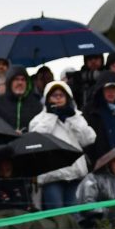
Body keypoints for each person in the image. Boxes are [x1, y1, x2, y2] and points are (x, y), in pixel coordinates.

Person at [29, 81, 96, 209]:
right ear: (47, 99)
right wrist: (52, 116)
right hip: (52, 178)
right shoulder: (38, 120)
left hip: (75, 176)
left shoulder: (76, 116)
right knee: (57, 217)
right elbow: (36, 140)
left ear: (68, 98)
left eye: (61, 95)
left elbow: (89, 139)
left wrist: (72, 118)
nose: (58, 98)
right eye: (54, 95)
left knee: (74, 217)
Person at [0, 65, 41, 132]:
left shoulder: (36, 104)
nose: (20, 83)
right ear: (9, 82)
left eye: (23, 79)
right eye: (16, 79)